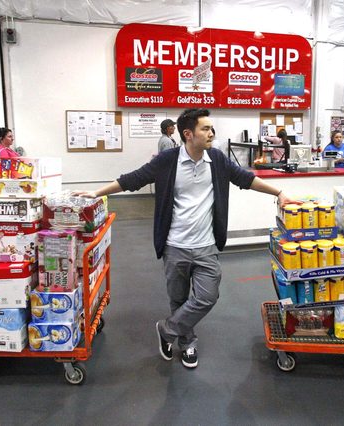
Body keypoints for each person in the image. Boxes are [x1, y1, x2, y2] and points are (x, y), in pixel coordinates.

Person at [74, 108, 298, 369]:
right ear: (188, 134)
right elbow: (133, 180)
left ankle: (167, 330)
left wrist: (279, 192)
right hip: (174, 246)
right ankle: (187, 343)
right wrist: (96, 193)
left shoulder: (217, 159)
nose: (212, 133)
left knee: (207, 297)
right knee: (178, 300)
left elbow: (246, 179)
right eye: (206, 129)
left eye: (212, 128)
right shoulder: (167, 160)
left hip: (206, 246)